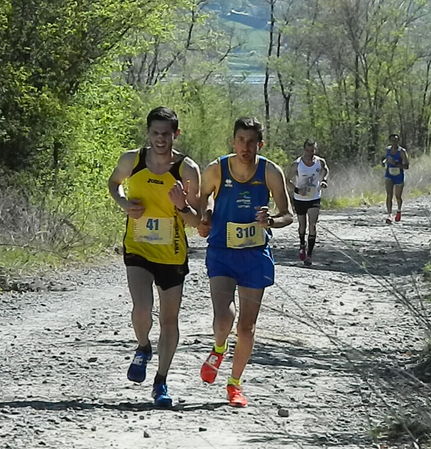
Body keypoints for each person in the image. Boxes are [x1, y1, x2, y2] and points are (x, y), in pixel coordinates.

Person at [108, 106, 201, 407]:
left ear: (176, 134)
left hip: (172, 253)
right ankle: (143, 346)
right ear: (148, 133)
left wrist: (183, 206)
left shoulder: (187, 170)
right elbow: (113, 184)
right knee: (142, 308)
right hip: (138, 247)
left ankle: (161, 381)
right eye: (155, 133)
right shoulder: (131, 160)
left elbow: (198, 222)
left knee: (170, 319)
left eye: (166, 134)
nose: (161, 139)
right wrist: (123, 202)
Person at [197, 117, 293, 407]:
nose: (245, 147)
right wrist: (207, 214)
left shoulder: (270, 171)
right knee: (224, 317)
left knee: (247, 327)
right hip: (222, 253)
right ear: (233, 141)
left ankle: (234, 385)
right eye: (240, 140)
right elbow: (203, 199)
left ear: (260, 144)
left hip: (254, 255)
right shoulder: (217, 168)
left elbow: (288, 214)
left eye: (251, 141)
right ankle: (218, 349)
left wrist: (271, 222)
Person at [287, 139, 329, 266]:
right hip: (300, 199)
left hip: (314, 197)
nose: (310, 153)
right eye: (308, 150)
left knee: (313, 225)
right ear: (304, 149)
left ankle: (309, 255)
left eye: (313, 150)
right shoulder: (297, 164)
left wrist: (324, 180)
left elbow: (326, 170)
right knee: (302, 226)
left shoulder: (320, 162)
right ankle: (301, 244)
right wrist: (296, 190)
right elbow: (287, 180)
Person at [382, 134, 409, 224]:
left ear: (398, 141)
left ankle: (398, 211)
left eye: (396, 140)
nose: (394, 142)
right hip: (389, 174)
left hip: (398, 175)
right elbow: (384, 159)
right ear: (390, 141)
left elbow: (406, 166)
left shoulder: (402, 151)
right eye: (393, 140)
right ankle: (389, 215)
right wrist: (384, 162)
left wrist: (396, 163)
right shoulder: (387, 150)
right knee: (389, 195)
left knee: (398, 196)